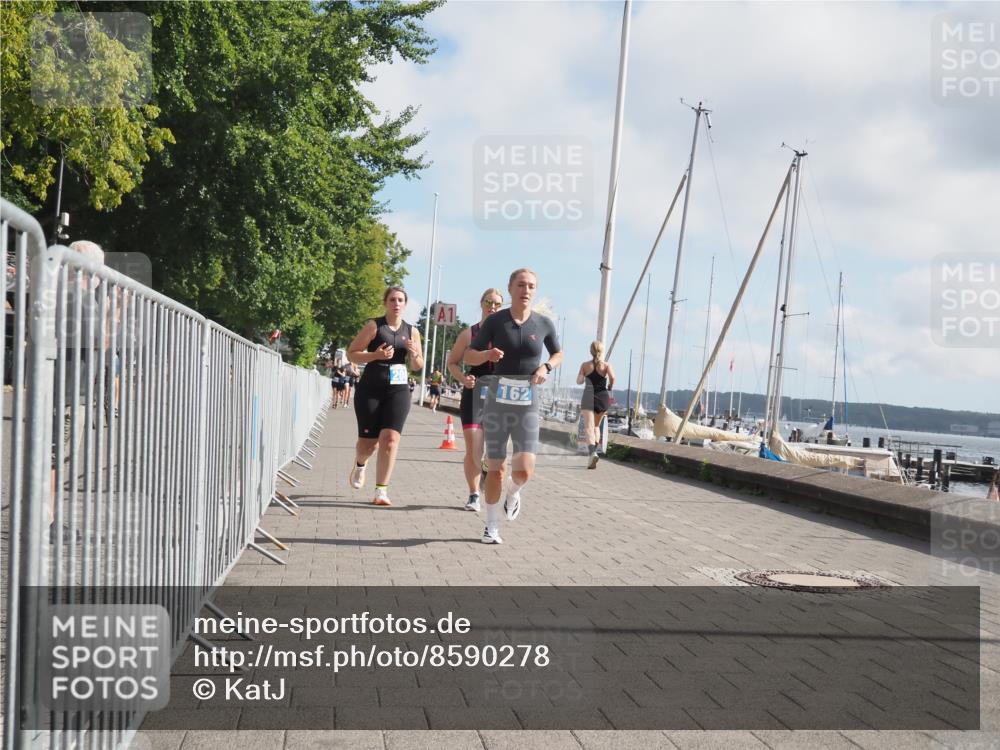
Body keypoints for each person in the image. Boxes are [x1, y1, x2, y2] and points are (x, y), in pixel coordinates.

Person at [465, 269, 562, 544]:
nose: (526, 290)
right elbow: (470, 354)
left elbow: (558, 352)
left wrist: (546, 366)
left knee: (524, 469)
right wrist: (487, 354)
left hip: (528, 402)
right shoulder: (496, 321)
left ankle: (513, 492)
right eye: (521, 285)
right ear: (510, 288)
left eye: (531, 286)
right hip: (498, 400)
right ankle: (491, 526)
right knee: (495, 467)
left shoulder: (544, 324)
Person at [346, 287, 423, 506]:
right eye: (392, 299)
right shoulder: (374, 326)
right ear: (385, 302)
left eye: (400, 300)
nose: (396, 303)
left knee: (390, 439)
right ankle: (360, 464)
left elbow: (418, 366)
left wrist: (413, 353)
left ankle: (381, 491)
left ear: (405, 304)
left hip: (398, 389)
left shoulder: (412, 331)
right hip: (371, 387)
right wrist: (376, 355)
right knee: (368, 444)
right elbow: (352, 353)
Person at [446, 287, 504, 512]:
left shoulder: (506, 334)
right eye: (489, 302)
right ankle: (472, 495)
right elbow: (452, 362)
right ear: (481, 303)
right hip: (474, 391)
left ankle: (487, 471)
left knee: (492, 452)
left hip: (499, 394)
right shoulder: (469, 334)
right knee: (473, 448)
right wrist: (463, 378)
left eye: (497, 304)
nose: (492, 307)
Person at [576, 340, 616, 469]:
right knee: (597, 427)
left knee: (588, 427)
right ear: (601, 351)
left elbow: (579, 381)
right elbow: (613, 378)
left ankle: (592, 452)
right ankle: (595, 450)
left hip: (588, 397)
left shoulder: (585, 365)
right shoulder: (606, 365)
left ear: (590, 351)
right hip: (603, 397)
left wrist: (583, 376)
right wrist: (610, 385)